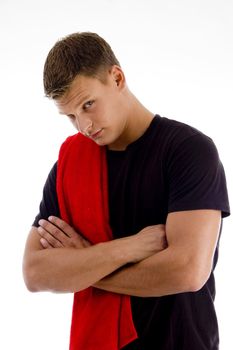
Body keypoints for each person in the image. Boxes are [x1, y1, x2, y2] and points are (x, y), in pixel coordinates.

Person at [22, 31, 230, 350]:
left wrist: (83, 266)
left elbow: (188, 271)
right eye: (71, 117)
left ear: (116, 78)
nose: (84, 126)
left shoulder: (189, 151)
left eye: (88, 105)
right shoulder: (70, 163)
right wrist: (129, 248)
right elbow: (35, 273)